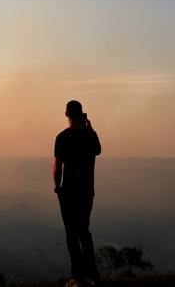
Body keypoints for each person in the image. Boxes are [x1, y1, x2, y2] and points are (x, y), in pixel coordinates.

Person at [53, 100, 102, 287]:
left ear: (66, 114)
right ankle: (93, 275)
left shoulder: (62, 137)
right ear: (82, 115)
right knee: (84, 231)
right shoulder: (91, 136)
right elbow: (98, 150)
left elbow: (57, 166)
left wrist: (57, 187)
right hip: (87, 191)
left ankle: (78, 277)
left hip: (68, 191)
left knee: (71, 234)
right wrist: (90, 128)